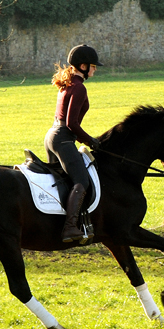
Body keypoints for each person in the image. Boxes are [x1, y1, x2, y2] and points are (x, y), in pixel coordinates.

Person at [45, 44, 104, 243]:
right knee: (82, 181)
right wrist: (90, 141)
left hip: (52, 135)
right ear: (83, 66)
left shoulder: (67, 84)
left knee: (63, 181)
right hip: (62, 138)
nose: (95, 70)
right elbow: (71, 123)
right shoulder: (79, 87)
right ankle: (70, 227)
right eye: (93, 66)